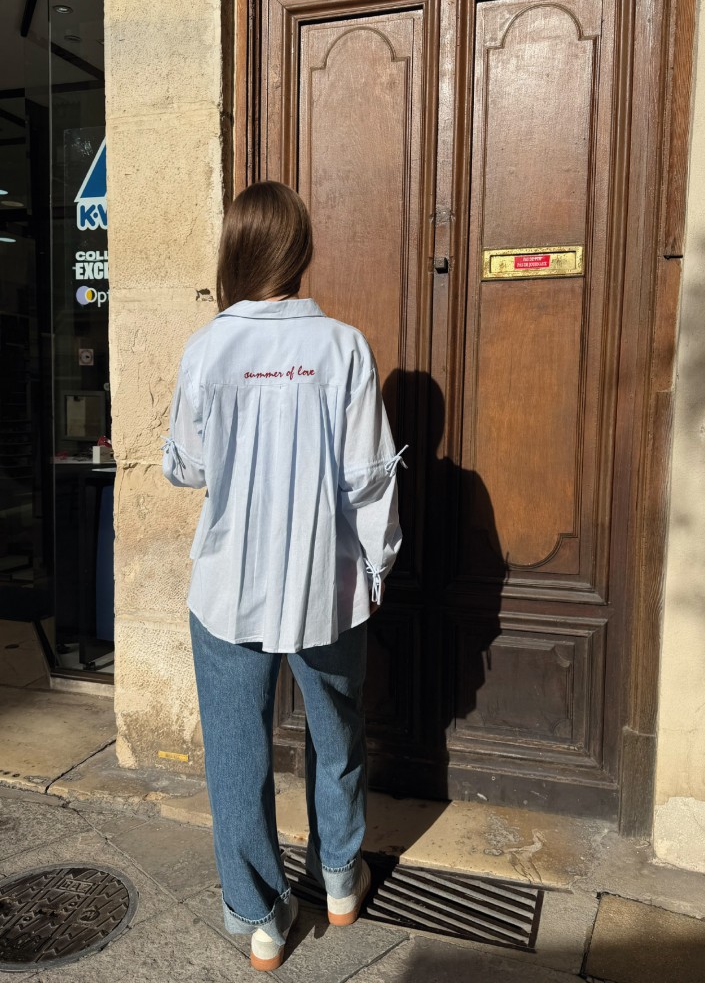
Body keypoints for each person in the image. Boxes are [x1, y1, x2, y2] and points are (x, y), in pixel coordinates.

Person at [161, 181, 405, 972]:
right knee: (336, 731)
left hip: (227, 585)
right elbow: (370, 479)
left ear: (233, 250)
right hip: (325, 584)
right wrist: (376, 567)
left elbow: (187, 467)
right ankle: (339, 877)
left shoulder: (207, 349)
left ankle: (262, 916)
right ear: (299, 252)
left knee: (236, 753)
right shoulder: (343, 348)